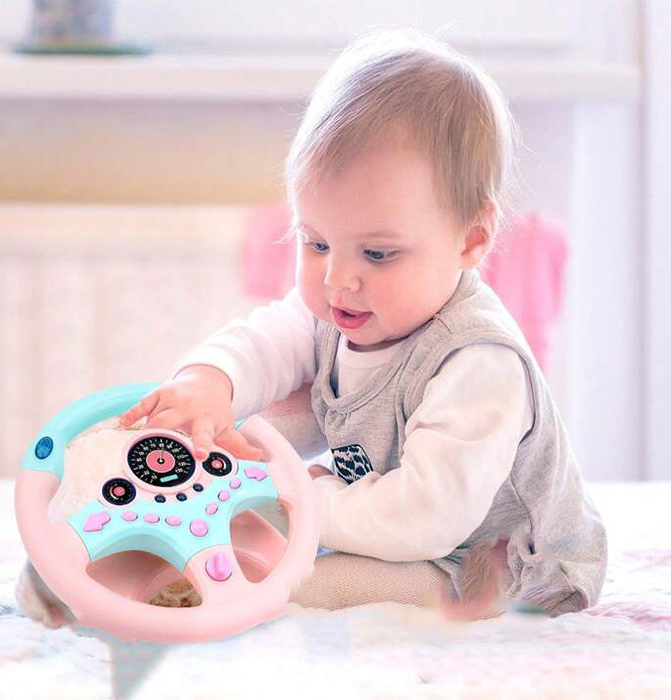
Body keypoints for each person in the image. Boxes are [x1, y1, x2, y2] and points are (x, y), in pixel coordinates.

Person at [120, 28, 607, 619]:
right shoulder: (343, 306)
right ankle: (168, 533)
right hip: (398, 519)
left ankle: (218, 580)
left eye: (377, 254)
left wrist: (299, 498)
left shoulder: (480, 362)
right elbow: (267, 342)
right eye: (316, 242)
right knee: (256, 433)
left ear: (471, 239)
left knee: (308, 581)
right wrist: (210, 381)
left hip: (491, 559)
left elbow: (426, 517)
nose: (337, 280)